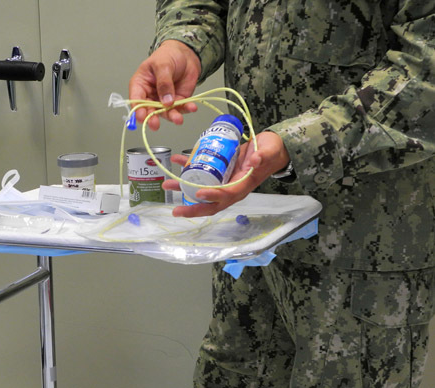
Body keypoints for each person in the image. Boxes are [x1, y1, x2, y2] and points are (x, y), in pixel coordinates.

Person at [129, 1, 435, 387]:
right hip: (249, 229)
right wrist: (184, 42)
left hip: (361, 246)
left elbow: (425, 73)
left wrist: (294, 145)